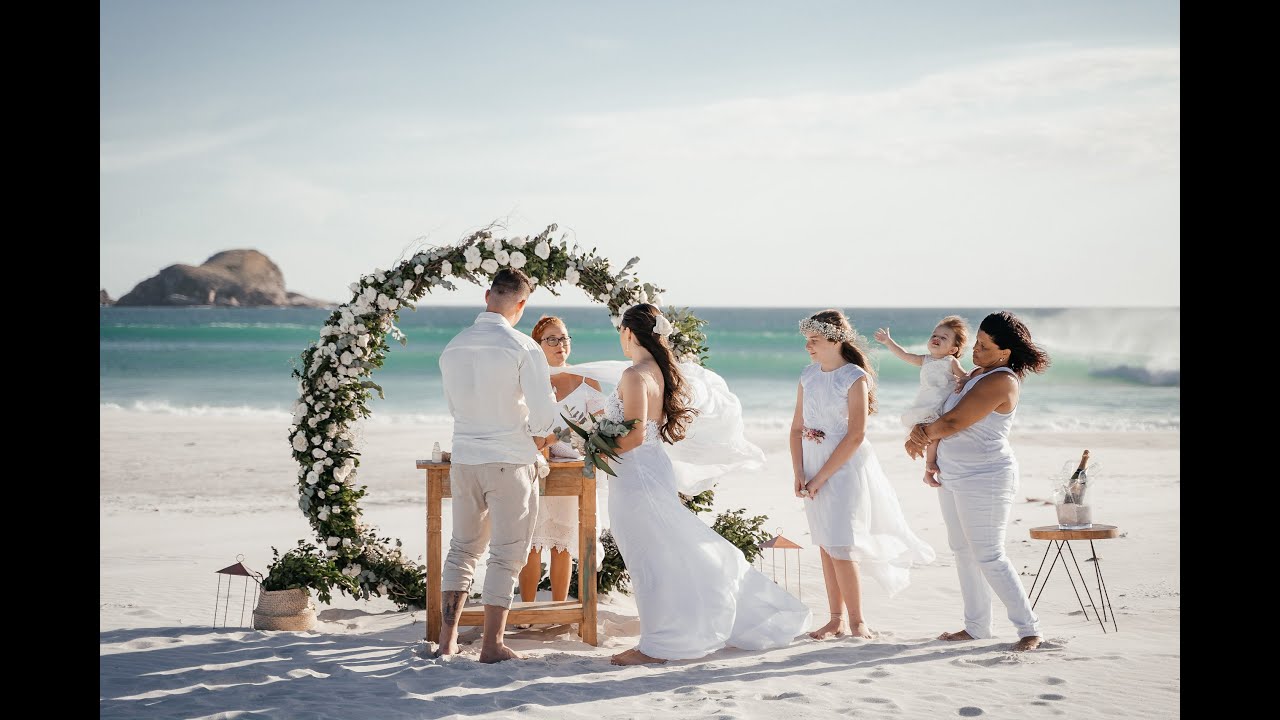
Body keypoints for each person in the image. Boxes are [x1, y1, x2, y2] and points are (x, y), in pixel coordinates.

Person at [605, 303, 811, 665]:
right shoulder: (659, 371)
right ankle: (675, 629)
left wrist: (597, 447)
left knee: (647, 558)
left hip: (635, 473)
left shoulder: (635, 374)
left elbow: (634, 434)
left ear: (628, 332)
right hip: (651, 468)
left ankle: (655, 645)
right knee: (664, 552)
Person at [904, 310, 1051, 653]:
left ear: (1005, 352)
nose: (976, 350)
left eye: (984, 346)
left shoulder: (1001, 380)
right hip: (954, 474)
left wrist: (920, 436)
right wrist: (922, 436)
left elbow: (954, 421)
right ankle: (976, 627)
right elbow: (942, 414)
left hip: (986, 478)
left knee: (989, 554)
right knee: (962, 552)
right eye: (978, 342)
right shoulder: (976, 374)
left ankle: (1029, 629)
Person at [436, 267, 561, 663]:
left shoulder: (452, 347)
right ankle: (491, 645)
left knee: (462, 550)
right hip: (510, 460)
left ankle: (446, 641)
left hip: (465, 458)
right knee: (506, 555)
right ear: (522, 304)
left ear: (487, 295)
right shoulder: (524, 347)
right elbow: (544, 420)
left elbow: (455, 408)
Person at [791, 310, 936, 640]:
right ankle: (835, 619)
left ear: (833, 340)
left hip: (844, 466)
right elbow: (797, 428)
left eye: (813, 341)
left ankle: (857, 621)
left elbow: (855, 434)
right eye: (807, 341)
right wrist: (800, 472)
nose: (808, 347)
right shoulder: (808, 375)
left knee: (841, 542)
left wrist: (819, 478)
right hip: (812, 463)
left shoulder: (853, 376)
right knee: (826, 543)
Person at [517, 315, 607, 604]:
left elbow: (601, 423)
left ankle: (558, 607)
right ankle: (527, 611)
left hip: (572, 469)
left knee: (562, 543)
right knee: (531, 542)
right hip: (534, 467)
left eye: (564, 338)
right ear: (538, 344)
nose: (560, 344)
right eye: (552, 339)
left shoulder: (586, 380)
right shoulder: (529, 380)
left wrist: (572, 440)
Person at [873, 316, 970, 487]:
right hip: (927, 403)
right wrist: (888, 342)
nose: (936, 338)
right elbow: (903, 355)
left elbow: (966, 377)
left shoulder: (950, 361)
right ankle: (928, 470)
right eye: (934, 335)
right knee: (926, 435)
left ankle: (929, 467)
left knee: (933, 436)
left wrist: (963, 380)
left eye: (943, 337)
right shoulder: (924, 359)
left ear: (953, 349)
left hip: (941, 403)